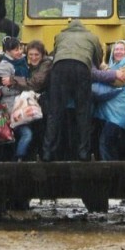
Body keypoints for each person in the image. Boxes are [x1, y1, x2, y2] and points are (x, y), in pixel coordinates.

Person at [42, 19, 103, 161]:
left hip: (59, 68)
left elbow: (56, 53)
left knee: (54, 112)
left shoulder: (60, 36)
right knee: (83, 112)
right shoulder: (92, 37)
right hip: (81, 68)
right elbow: (97, 58)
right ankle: (83, 153)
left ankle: (47, 152)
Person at [94, 41, 125, 161]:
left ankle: (110, 172)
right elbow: (111, 76)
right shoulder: (115, 67)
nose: (118, 52)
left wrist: (102, 71)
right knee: (112, 144)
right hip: (108, 111)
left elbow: (117, 82)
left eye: (122, 49)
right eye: (116, 49)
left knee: (106, 142)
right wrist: (111, 72)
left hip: (121, 111)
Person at [5, 40, 53, 158]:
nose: (33, 57)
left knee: (40, 130)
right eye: (31, 55)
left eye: (36, 55)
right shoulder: (28, 65)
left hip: (44, 102)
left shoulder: (46, 64)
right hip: (31, 103)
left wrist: (13, 80)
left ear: (42, 54)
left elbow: (36, 83)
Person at [0, 36, 33, 161]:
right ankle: (19, 158)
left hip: (24, 104)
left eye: (20, 49)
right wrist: (24, 85)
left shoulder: (23, 63)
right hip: (11, 106)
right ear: (7, 51)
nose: (19, 52)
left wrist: (16, 83)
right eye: (16, 50)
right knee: (26, 134)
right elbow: (5, 90)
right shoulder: (4, 66)